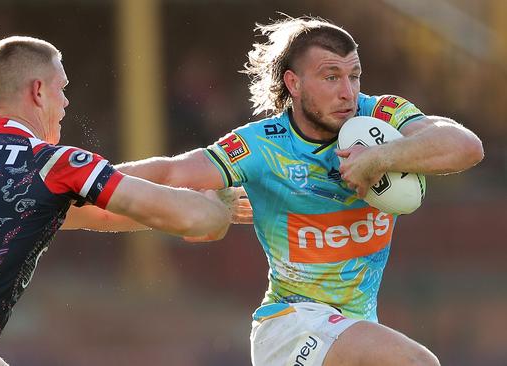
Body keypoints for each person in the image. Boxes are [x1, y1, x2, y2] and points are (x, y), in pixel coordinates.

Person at [112, 16, 484, 366]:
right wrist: (87, 178)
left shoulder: (379, 118)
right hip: (289, 325)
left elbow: (465, 146)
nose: (347, 93)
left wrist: (378, 159)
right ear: (294, 83)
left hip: (352, 327)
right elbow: (172, 171)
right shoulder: (262, 145)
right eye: (330, 77)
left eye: (354, 76)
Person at [0, 36, 233, 366]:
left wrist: (188, 189)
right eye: (62, 88)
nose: (67, 101)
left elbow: (103, 213)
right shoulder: (53, 163)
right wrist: (218, 207)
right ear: (38, 91)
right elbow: (198, 220)